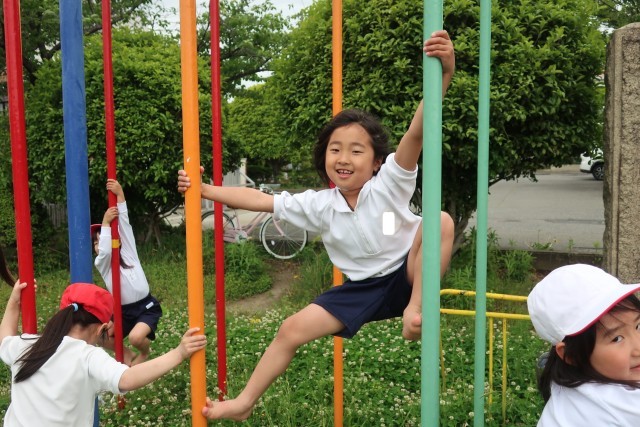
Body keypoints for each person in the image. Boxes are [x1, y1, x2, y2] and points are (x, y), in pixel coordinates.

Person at [179, 30, 455, 421]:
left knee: (440, 221)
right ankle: (243, 404)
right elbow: (260, 199)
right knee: (290, 329)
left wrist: (445, 74)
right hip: (361, 289)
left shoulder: (390, 183)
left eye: (356, 151)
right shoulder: (319, 205)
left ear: (376, 161)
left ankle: (415, 312)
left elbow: (417, 131)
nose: (344, 158)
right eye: (335, 149)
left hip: (410, 273)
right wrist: (205, 189)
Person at [0, 281, 206, 426]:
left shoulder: (27, 344)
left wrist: (14, 300)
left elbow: (4, 339)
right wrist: (179, 353)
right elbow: (126, 379)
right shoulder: (88, 357)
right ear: (101, 329)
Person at [528, 264, 640, 426]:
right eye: (617, 338)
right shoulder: (622, 404)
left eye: (638, 326)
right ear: (572, 355)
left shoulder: (566, 388)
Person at [92, 179, 162, 366]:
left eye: (103, 238)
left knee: (135, 338)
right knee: (100, 337)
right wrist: (105, 222)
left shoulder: (129, 252)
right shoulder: (103, 263)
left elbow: (124, 223)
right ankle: (128, 355)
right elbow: (105, 251)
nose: (99, 245)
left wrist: (120, 195)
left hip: (145, 306)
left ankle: (144, 352)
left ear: (118, 239)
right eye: (96, 243)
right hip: (122, 312)